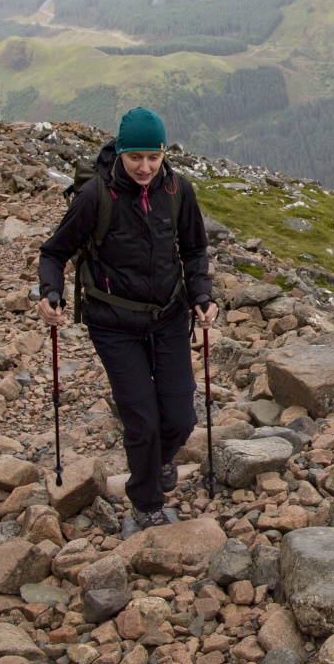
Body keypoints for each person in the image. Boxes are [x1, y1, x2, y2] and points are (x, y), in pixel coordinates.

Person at [36, 107, 217, 533]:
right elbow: (53, 252)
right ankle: (146, 502)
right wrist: (50, 293)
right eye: (135, 157)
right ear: (120, 152)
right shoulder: (95, 195)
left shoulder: (177, 190)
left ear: (162, 153)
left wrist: (203, 295)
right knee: (143, 420)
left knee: (181, 418)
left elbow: (193, 251)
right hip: (113, 324)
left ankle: (158, 460)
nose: (144, 167)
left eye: (153, 157)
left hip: (169, 316)